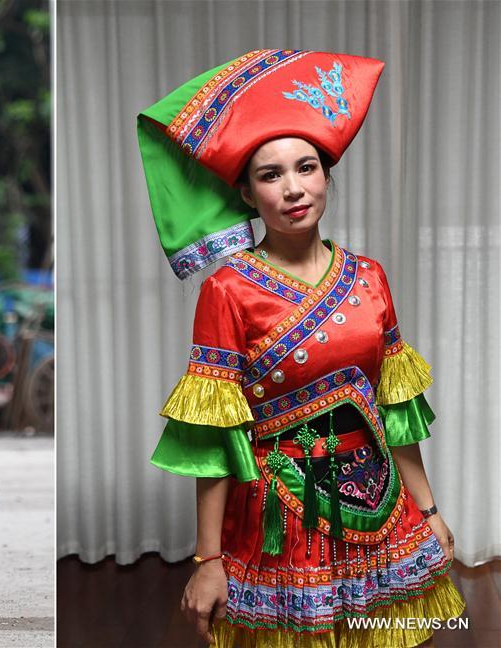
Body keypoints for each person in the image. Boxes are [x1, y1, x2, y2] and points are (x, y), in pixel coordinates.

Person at [137, 49, 465, 647]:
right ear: (245, 193)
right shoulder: (227, 288)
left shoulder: (370, 276)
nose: (293, 188)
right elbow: (214, 433)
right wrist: (206, 561)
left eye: (306, 168)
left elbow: (396, 415)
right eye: (270, 175)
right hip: (280, 519)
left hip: (381, 506)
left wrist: (430, 509)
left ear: (327, 176)